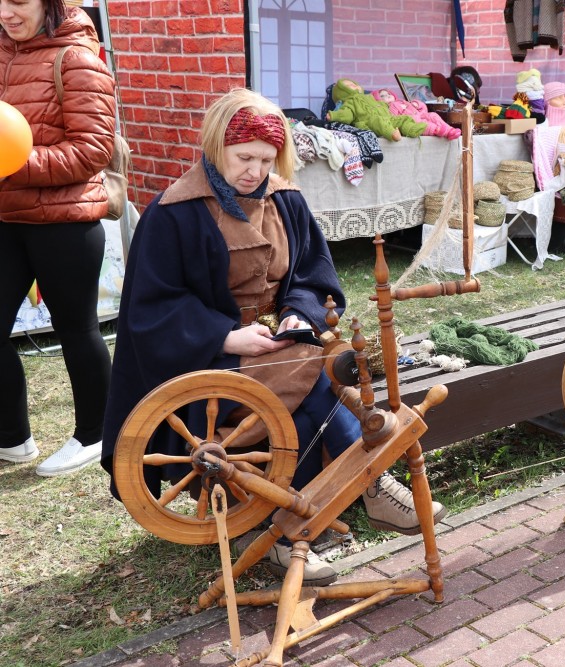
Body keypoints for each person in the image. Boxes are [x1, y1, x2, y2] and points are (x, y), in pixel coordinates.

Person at [101, 89, 445, 585]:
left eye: (266, 159)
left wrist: (295, 314)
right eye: (244, 157)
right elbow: (152, 309)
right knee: (314, 376)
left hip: (281, 345)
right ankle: (366, 483)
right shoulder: (174, 212)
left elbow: (312, 276)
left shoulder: (285, 199)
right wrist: (225, 336)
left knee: (311, 390)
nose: (254, 170)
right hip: (205, 359)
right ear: (216, 146)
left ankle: (283, 530)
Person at [0, 0, 116, 475]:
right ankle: (12, 439)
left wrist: (13, 164)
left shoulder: (77, 57)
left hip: (66, 222)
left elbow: (93, 149)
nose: (6, 13)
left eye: (18, 1)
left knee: (76, 330)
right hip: (6, 217)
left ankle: (95, 434)